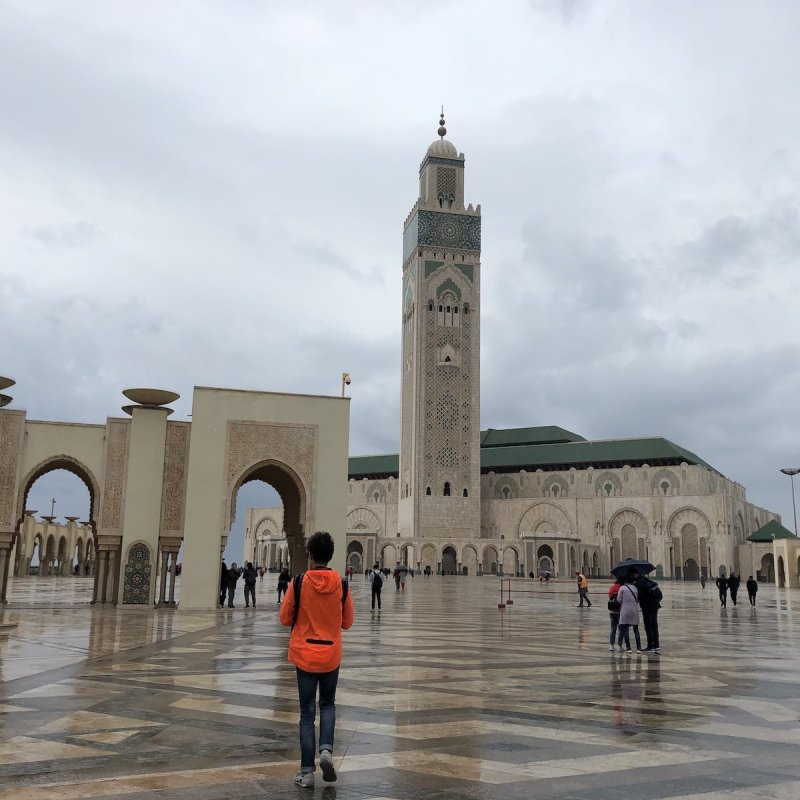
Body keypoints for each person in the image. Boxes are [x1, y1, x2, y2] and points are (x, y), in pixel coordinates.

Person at [279, 530, 354, 789]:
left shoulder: (299, 583)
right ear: (331, 555)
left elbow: (285, 619)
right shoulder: (342, 584)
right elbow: (347, 622)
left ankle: (307, 772)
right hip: (331, 656)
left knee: (307, 712)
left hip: (305, 655)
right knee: (328, 705)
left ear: (310, 555)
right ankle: (326, 750)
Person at [634, 572, 662, 653]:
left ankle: (650, 645)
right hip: (655, 606)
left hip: (647, 607)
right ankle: (656, 645)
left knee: (648, 626)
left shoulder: (639, 582)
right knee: (654, 625)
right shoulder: (647, 580)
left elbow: (641, 596)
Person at [616, 574, 642, 654]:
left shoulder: (622, 588)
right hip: (634, 609)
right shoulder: (635, 588)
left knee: (625, 629)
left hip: (625, 610)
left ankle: (628, 648)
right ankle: (638, 648)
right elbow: (637, 598)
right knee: (636, 629)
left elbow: (619, 600)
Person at [608, 577, 624, 652]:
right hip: (620, 611)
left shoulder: (612, 588)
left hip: (612, 611)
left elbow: (610, 597)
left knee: (613, 629)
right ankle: (619, 646)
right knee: (620, 629)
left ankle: (611, 645)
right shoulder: (622, 588)